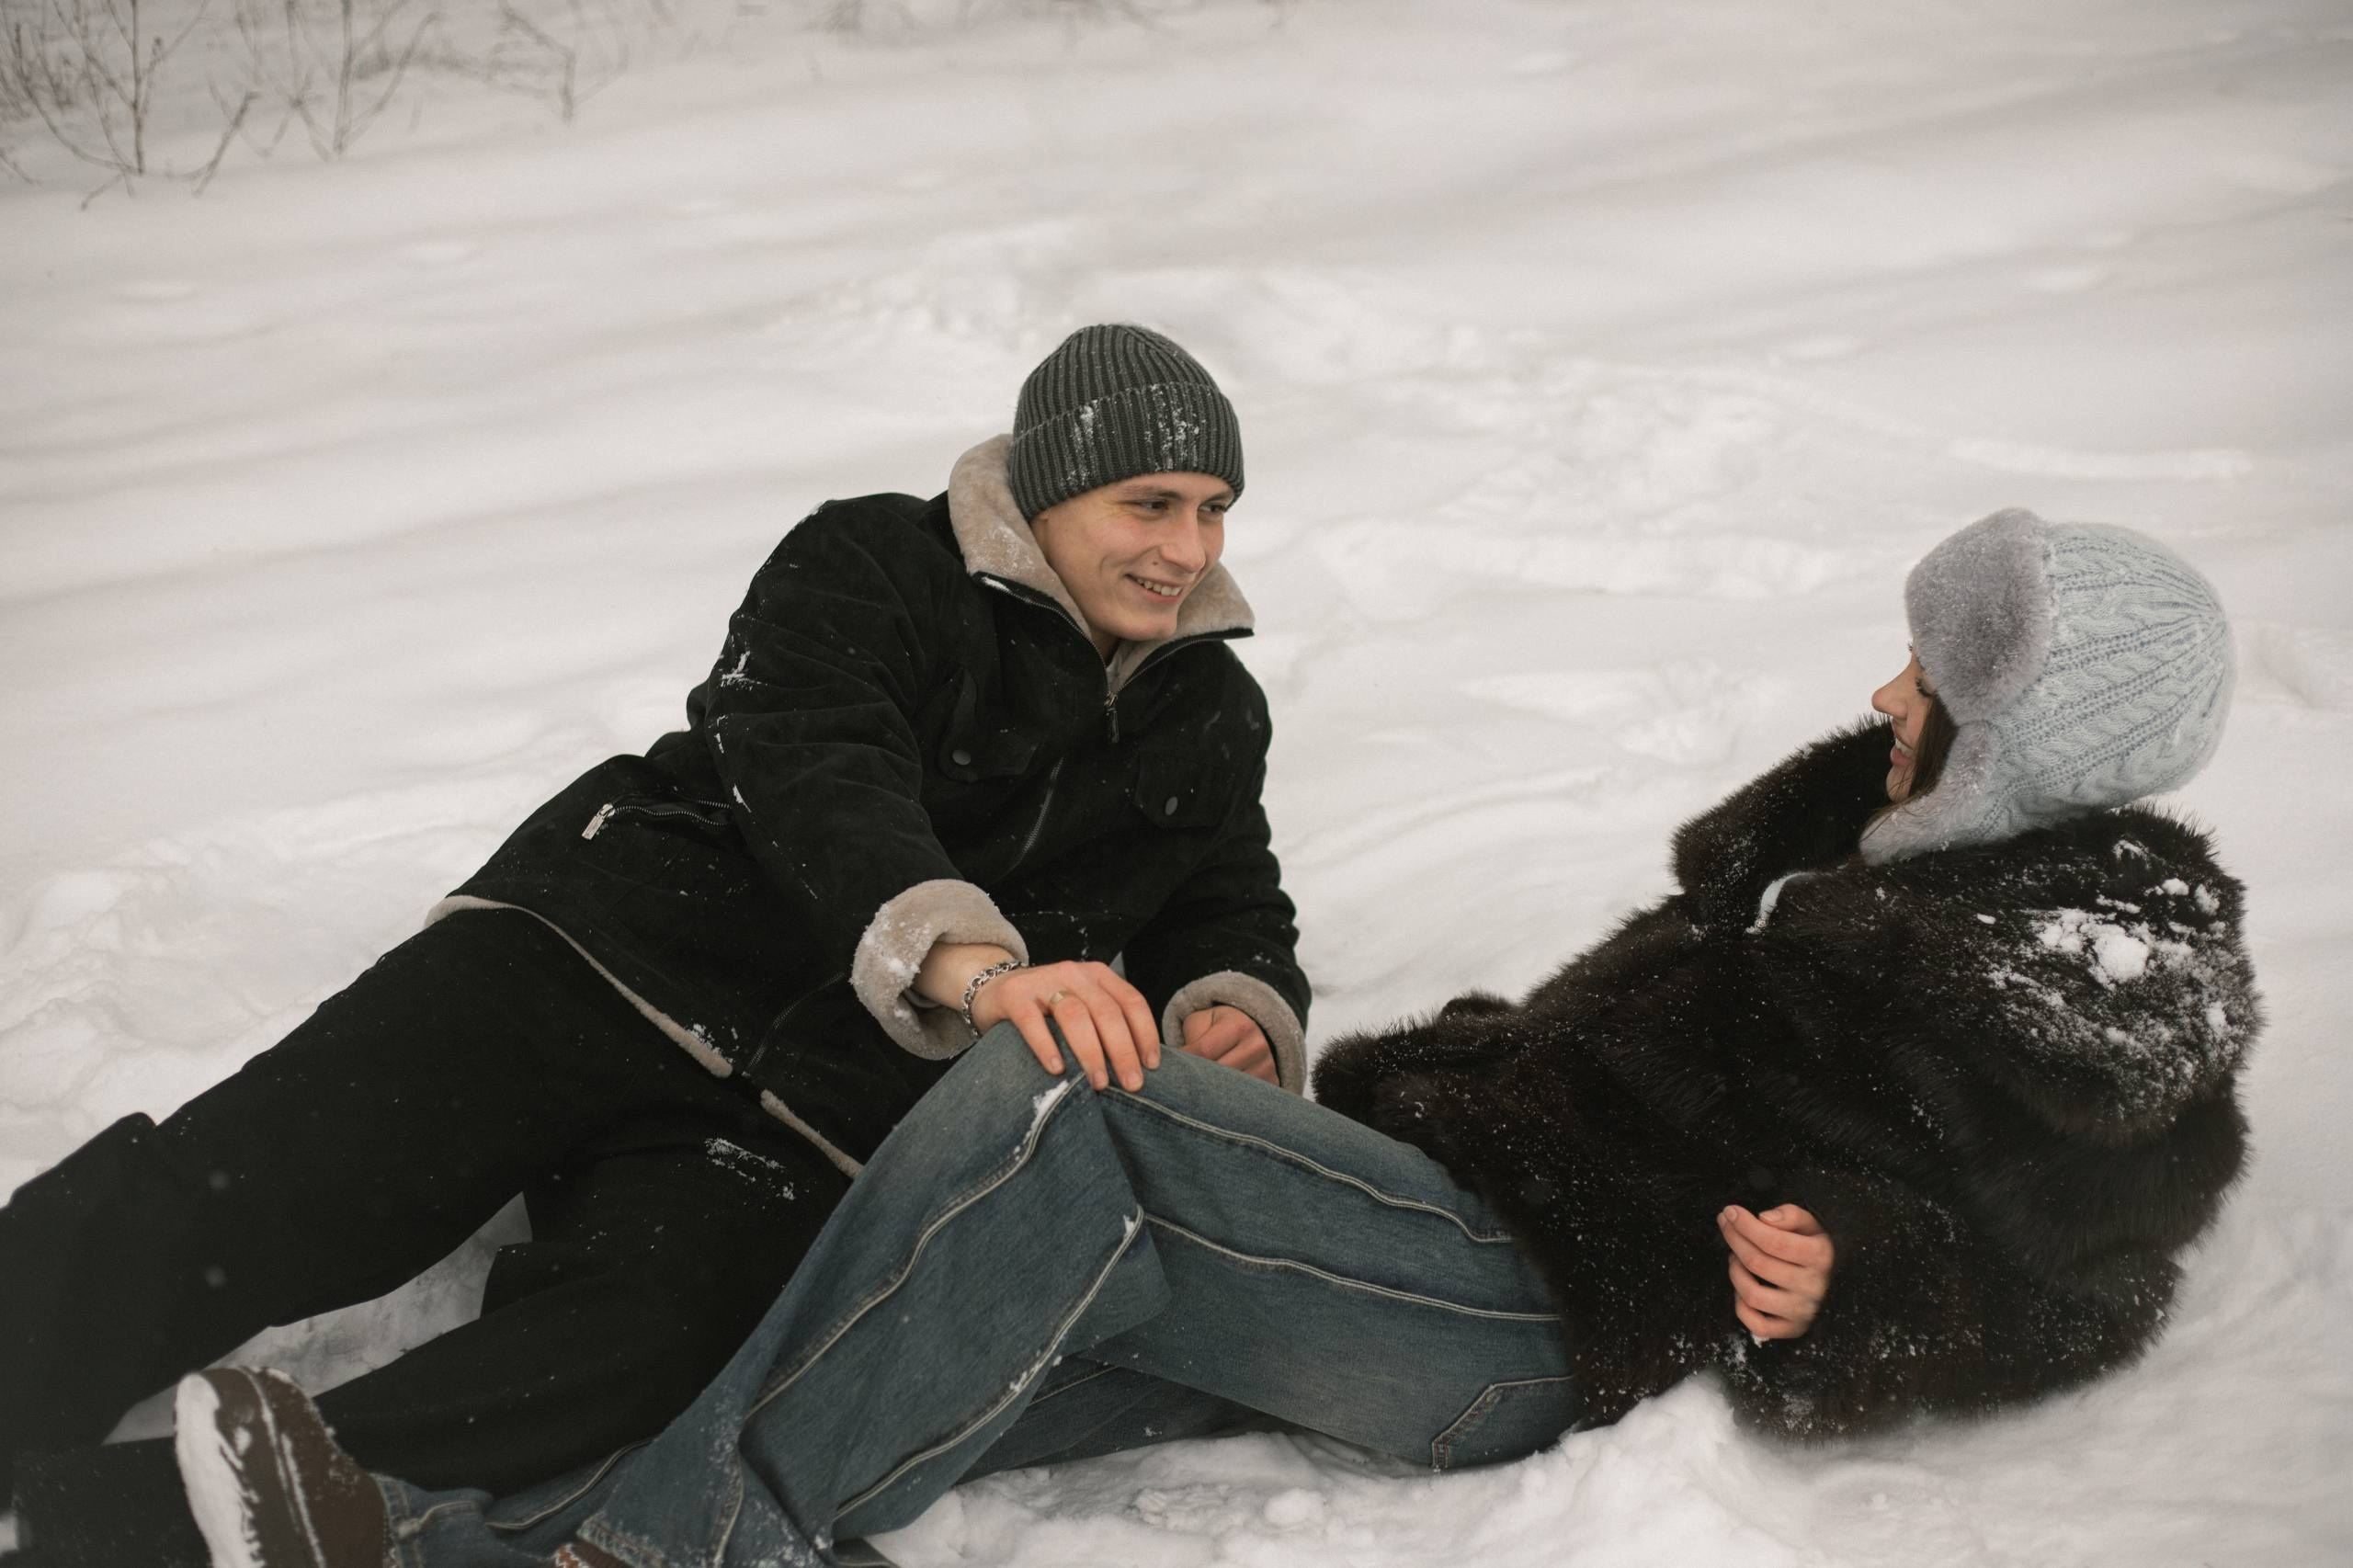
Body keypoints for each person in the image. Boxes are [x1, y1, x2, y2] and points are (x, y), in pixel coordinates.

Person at [169, 508, 2254, 1568]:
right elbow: (1619, 1066)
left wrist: (1851, 1291)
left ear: (2022, 728)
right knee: (923, 1336)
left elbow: (2083, 1293)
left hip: (1544, 1309)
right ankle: (423, 1544)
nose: (1886, 687)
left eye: (1937, 668)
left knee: (1063, 1101)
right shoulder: (1849, 860)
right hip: (1455, 1212)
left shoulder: (2093, 962)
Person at [0, 325, 1311, 1567]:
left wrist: (1238, 1002)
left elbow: (1228, 897)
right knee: (258, 1184)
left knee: (645, 1344)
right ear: (1048, 488)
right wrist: (974, 967)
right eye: (1151, 503)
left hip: (805, 1116)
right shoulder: (872, 563)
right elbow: (816, 774)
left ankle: (138, 1516)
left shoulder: (1211, 711)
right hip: (594, 960)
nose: (1187, 547)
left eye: (1213, 509)